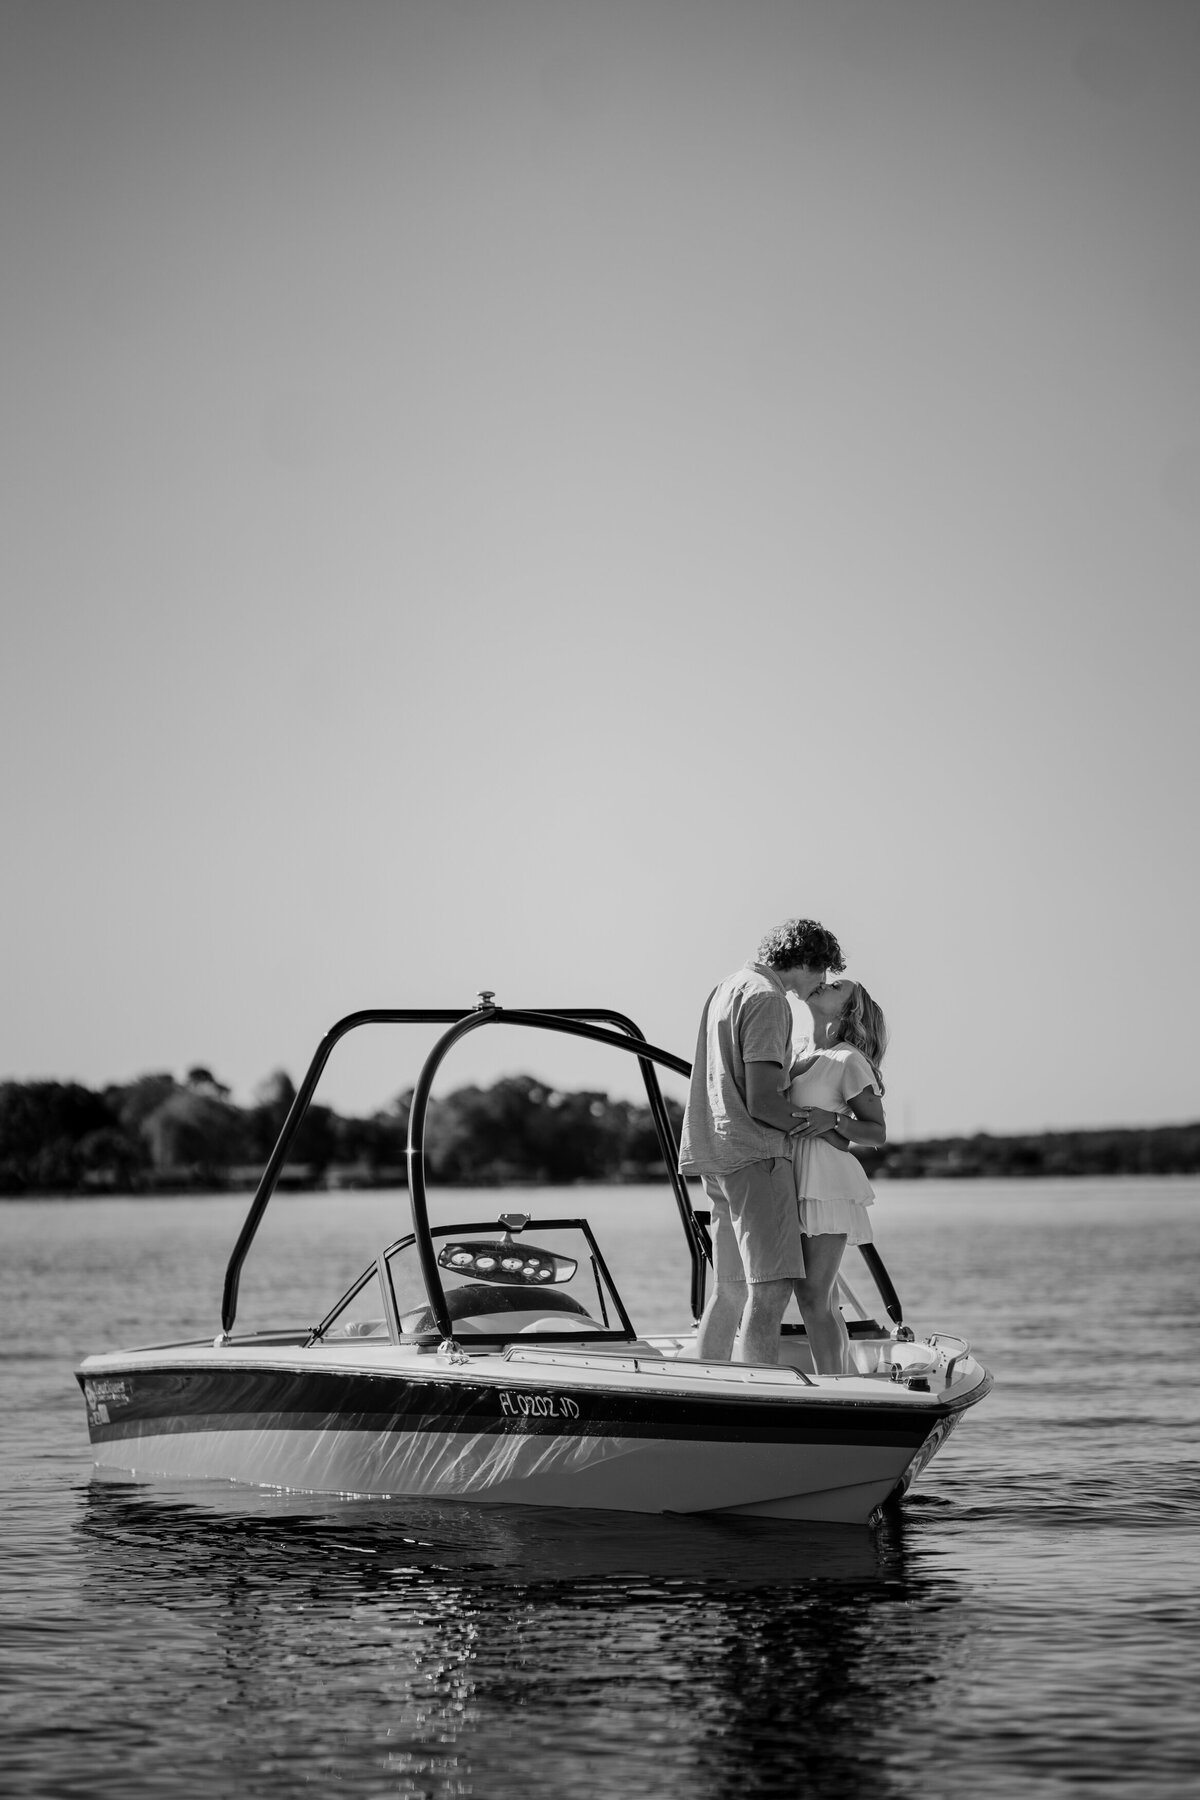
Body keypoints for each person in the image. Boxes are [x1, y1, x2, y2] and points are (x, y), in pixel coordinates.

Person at [678, 918, 846, 1365]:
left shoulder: (726, 987)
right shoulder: (769, 999)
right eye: (823, 971)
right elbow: (764, 1101)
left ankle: (710, 1383)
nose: (822, 983)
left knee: (730, 1288)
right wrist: (831, 1128)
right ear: (807, 961)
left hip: (715, 1153)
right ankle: (760, 1391)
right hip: (757, 1155)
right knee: (771, 1289)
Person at [787, 980, 889, 1374]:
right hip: (792, 1175)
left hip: (826, 1183)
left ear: (848, 1011)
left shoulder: (848, 1060)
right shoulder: (799, 1048)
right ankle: (841, 1377)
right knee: (820, 1296)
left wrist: (833, 1121)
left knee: (813, 1294)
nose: (824, 983)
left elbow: (876, 1132)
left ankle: (834, 1387)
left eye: (837, 986)